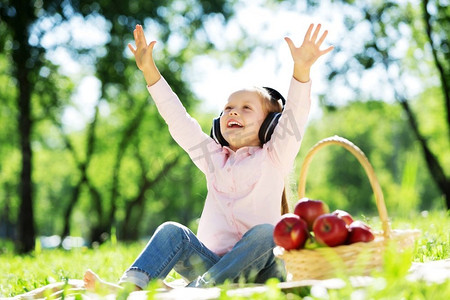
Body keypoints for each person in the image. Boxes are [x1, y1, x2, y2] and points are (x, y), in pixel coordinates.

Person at [10, 23, 333, 298]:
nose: (232, 111)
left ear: (269, 124)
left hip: (260, 273)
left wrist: (301, 72)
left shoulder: (275, 155)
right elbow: (179, 121)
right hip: (213, 272)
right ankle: (130, 291)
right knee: (172, 231)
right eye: (228, 108)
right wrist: (150, 71)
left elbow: (296, 117)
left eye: (246, 108)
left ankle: (188, 293)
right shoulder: (212, 159)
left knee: (266, 232)